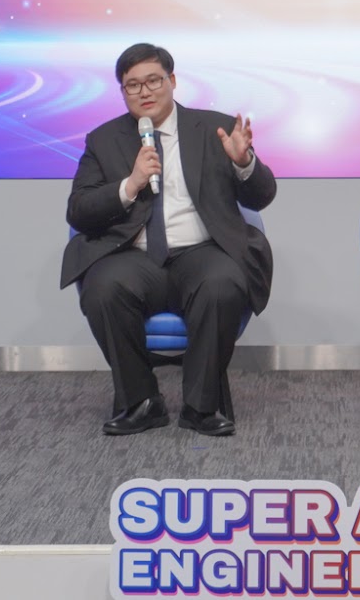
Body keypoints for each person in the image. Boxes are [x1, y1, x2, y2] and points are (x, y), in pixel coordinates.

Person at [62, 43, 277, 437]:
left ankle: (201, 406)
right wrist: (129, 185)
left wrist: (244, 163)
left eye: (153, 81)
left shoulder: (214, 129)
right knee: (103, 289)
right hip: (134, 255)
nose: (144, 92)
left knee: (222, 284)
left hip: (202, 251)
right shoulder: (104, 140)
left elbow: (262, 197)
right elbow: (78, 210)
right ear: (122, 91)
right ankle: (141, 402)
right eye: (132, 85)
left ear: (172, 81)